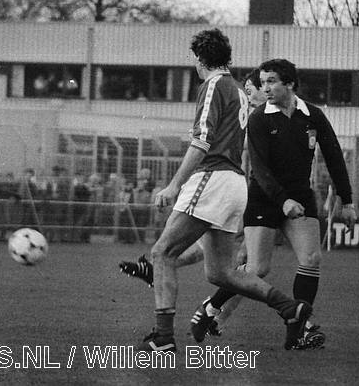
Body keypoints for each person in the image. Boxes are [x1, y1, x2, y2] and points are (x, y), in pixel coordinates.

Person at [134, 29, 313, 353]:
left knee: (162, 253)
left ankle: (163, 337)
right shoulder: (238, 91)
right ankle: (290, 308)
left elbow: (202, 141)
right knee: (221, 273)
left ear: (201, 59)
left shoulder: (214, 84)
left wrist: (174, 185)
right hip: (233, 184)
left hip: (212, 178)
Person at [189, 58, 357, 350]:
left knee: (312, 260)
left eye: (271, 82)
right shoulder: (259, 119)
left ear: (289, 84)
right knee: (257, 269)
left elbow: (334, 155)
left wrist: (348, 199)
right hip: (265, 199)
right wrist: (283, 201)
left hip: (300, 198)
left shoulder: (312, 115)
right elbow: (261, 171)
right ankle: (211, 308)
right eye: (262, 82)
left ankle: (299, 327)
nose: (264, 88)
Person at [120, 68, 268, 334]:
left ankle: (209, 309)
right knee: (218, 254)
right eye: (247, 90)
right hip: (244, 190)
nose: (248, 95)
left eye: (251, 90)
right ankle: (210, 310)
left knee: (249, 265)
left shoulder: (263, 118)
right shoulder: (250, 116)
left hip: (259, 194)